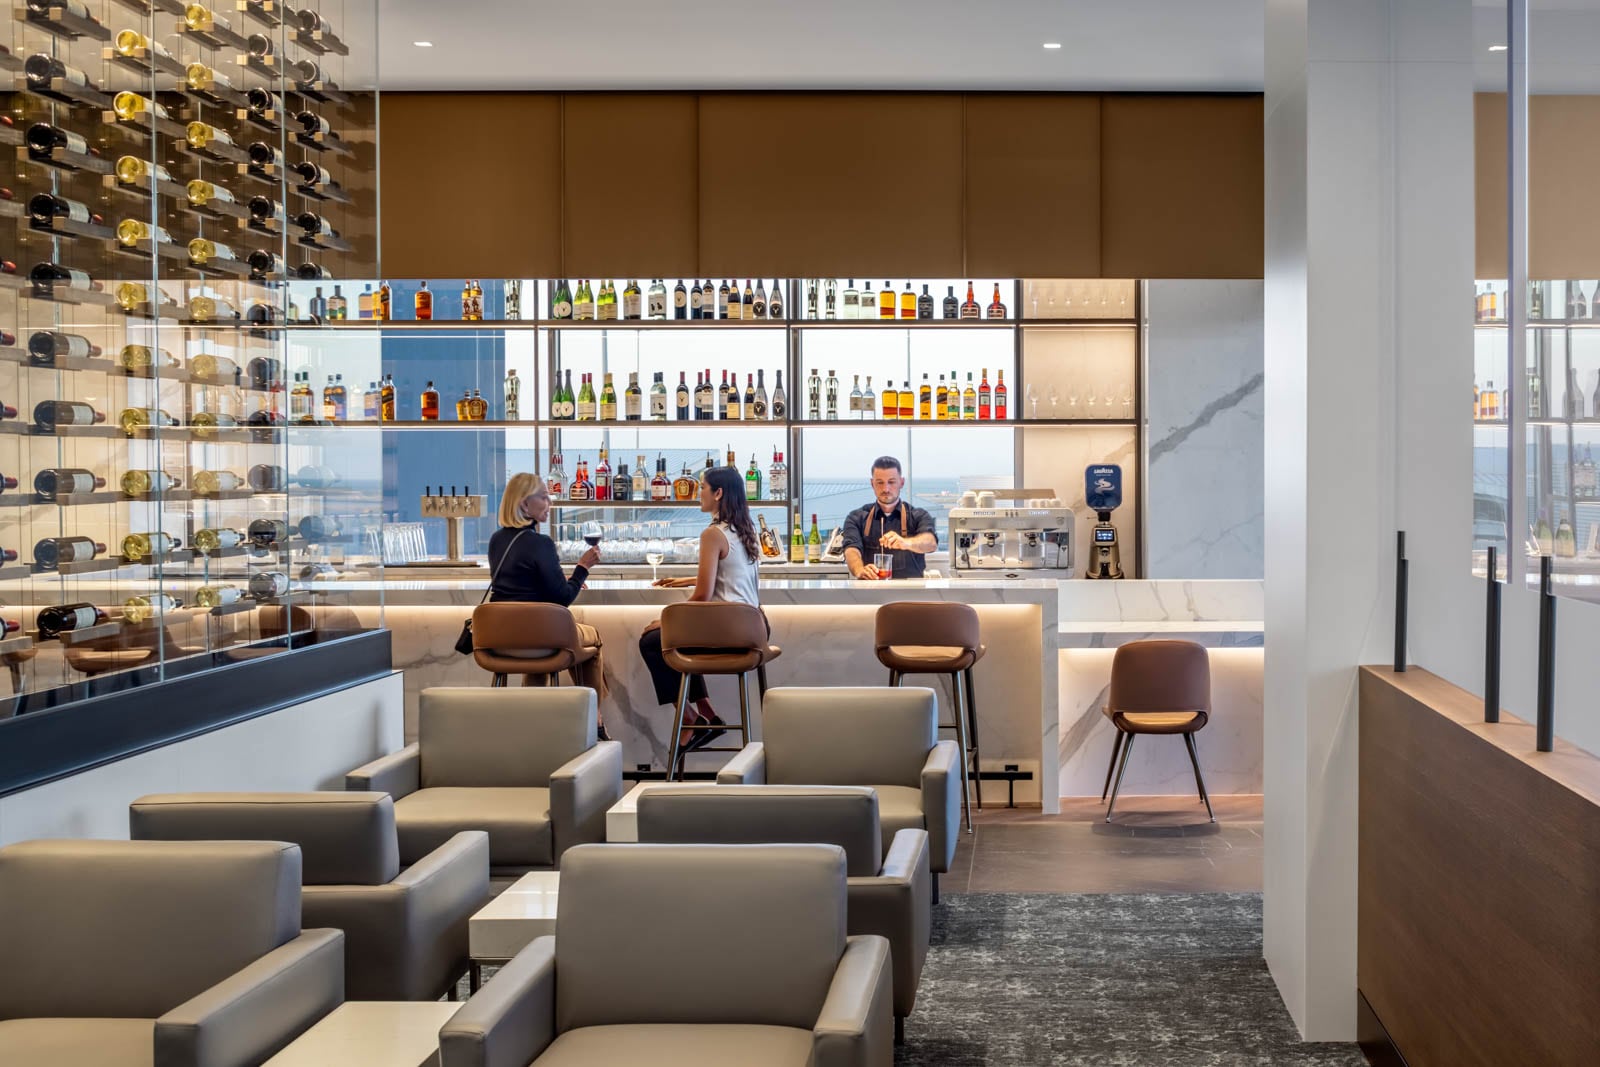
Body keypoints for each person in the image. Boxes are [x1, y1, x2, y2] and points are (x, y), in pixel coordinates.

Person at [638, 465, 762, 753]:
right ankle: (707, 714)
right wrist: (684, 579)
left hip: (727, 631)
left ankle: (693, 720)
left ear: (718, 493)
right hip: (752, 629)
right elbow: (729, 575)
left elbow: (703, 596)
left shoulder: (712, 534)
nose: (698, 494)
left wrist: (665, 621)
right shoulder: (745, 529)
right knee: (676, 642)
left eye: (702, 488)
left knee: (652, 641)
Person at [485, 472, 610, 731]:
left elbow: (518, 583)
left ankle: (530, 723)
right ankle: (593, 717)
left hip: (499, 640)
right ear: (524, 504)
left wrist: (559, 577)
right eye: (544, 496)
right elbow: (562, 598)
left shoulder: (497, 540)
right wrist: (582, 567)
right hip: (539, 637)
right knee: (592, 638)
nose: (550, 503)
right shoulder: (540, 543)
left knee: (538, 647)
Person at [841, 455, 938, 579]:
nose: (886, 488)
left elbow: (930, 543)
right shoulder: (856, 517)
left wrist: (906, 543)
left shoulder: (918, 515)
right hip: (870, 591)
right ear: (872, 483)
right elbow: (851, 550)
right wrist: (859, 569)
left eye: (891, 482)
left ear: (901, 482)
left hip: (910, 593)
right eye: (880, 482)